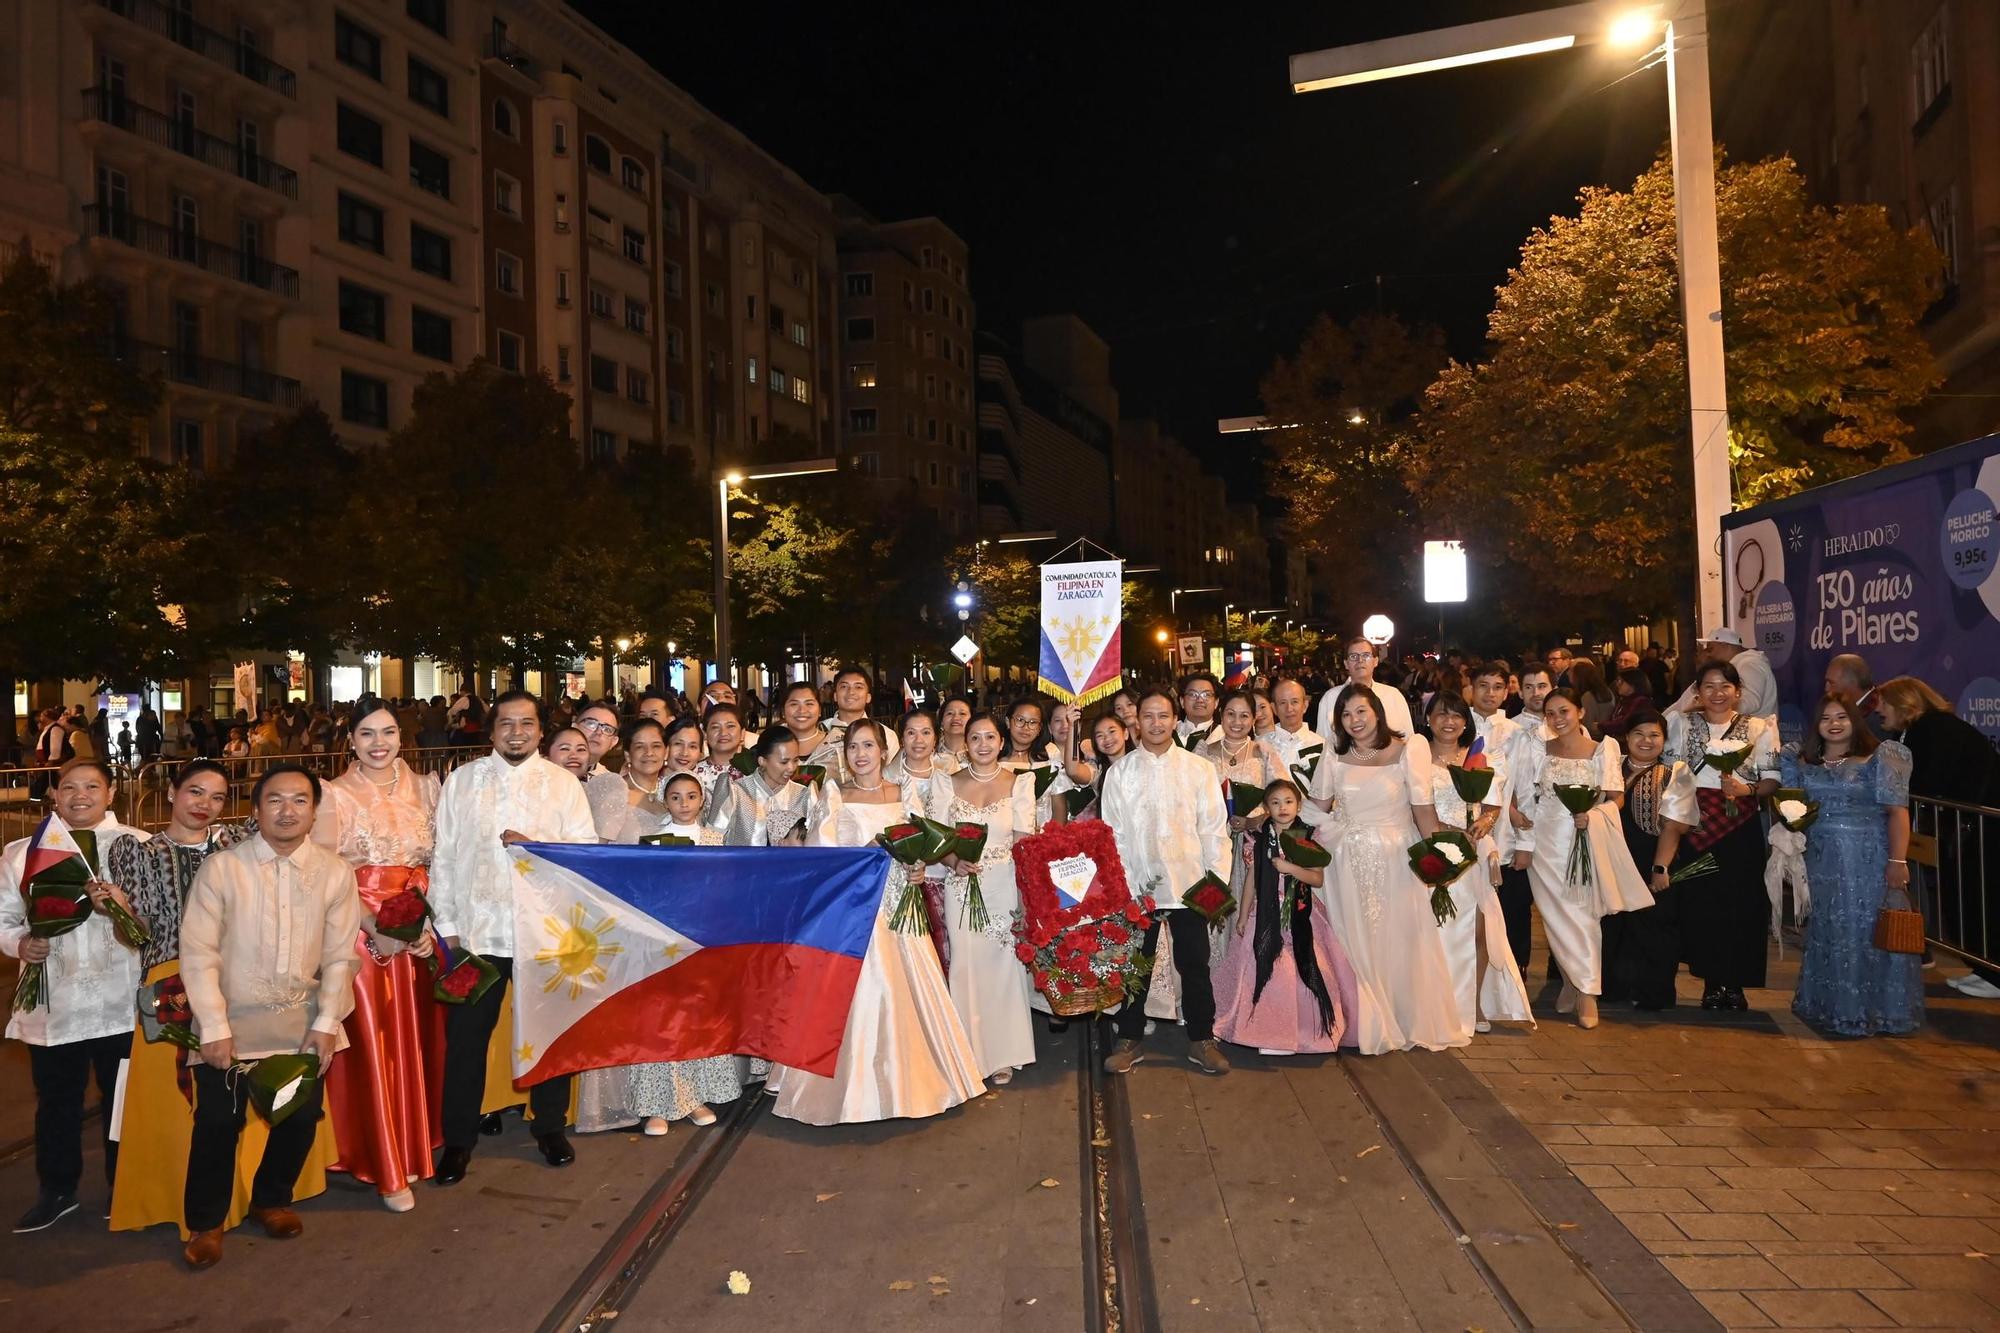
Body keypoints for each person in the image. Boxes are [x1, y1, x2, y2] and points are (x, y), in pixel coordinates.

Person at [177, 765, 362, 1269]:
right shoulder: (223, 869)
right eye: (275, 800)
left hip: (301, 1024)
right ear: (255, 810)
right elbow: (198, 952)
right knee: (217, 1122)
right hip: (231, 1026)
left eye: (300, 801)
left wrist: (327, 1023)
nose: (287, 811)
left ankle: (270, 1200)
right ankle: (207, 1223)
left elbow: (341, 955)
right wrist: (213, 1026)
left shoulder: (334, 872)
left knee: (299, 1118)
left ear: (314, 811)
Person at [769, 720, 984, 1124]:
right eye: (853, 747)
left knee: (907, 987)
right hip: (853, 908)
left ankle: (911, 1082)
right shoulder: (834, 795)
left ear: (884, 752)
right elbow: (822, 857)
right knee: (856, 990)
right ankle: (850, 1090)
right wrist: (865, 853)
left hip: (900, 904)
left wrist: (919, 866)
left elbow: (922, 846)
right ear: (845, 754)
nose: (861, 754)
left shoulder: (904, 795)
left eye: (869, 745)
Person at [430, 692, 598, 1184]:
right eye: (507, 723)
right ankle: (459, 1141)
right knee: (465, 1043)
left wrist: (537, 849)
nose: (517, 732)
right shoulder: (461, 783)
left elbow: (584, 855)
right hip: (477, 937)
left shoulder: (563, 785)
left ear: (541, 731)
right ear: (491, 729)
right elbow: (443, 859)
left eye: (527, 723)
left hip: (543, 932)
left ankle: (549, 1127)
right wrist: (450, 933)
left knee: (548, 1037)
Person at [2, 760, 150, 1233]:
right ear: (54, 795)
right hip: (56, 1001)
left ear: (111, 794)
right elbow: (5, 920)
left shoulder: (139, 847)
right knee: (57, 1100)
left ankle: (124, 1184)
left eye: (92, 786)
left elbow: (161, 921)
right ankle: (57, 1189)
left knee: (122, 1098)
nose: (80, 795)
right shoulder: (23, 853)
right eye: (69, 787)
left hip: (120, 999)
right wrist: (21, 943)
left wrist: (126, 912)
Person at [309, 697, 445, 1212]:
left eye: (387, 732)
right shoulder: (335, 795)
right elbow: (326, 871)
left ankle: (414, 1145)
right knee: (373, 1039)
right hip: (361, 933)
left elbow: (440, 863)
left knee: (416, 1038)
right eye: (366, 734)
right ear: (350, 741)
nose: (379, 743)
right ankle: (383, 1163)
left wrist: (427, 924)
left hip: (418, 929)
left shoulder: (427, 787)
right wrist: (374, 926)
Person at [579, 774, 744, 1136]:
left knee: (696, 1021)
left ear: (702, 800)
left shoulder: (716, 841)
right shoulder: (651, 842)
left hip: (703, 942)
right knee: (659, 1022)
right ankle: (655, 1104)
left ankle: (693, 1097)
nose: (684, 803)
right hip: (660, 943)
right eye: (675, 797)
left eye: (691, 796)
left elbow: (726, 892)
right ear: (664, 801)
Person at [1307, 687, 1469, 1053]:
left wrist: (1441, 854)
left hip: (1394, 858)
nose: (1355, 721)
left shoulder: (1409, 749)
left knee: (1394, 939)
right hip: (1344, 860)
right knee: (1350, 938)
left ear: (1377, 712)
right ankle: (1357, 1019)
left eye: (1361, 711)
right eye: (1346, 715)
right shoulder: (1334, 754)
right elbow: (1316, 806)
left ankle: (1395, 1016)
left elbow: (1423, 810)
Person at [1102, 689, 1232, 1076]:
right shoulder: (1120, 772)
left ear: (1175, 720)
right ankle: (1130, 1039)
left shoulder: (1198, 769)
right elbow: (1114, 835)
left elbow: (1213, 829)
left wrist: (1216, 883)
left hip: (1190, 883)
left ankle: (1201, 1038)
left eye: (1163, 716)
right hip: (1138, 887)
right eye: (1148, 716)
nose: (1156, 723)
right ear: (1135, 722)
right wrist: (1124, 888)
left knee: (1194, 964)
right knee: (1134, 966)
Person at [1508, 689, 1653, 1029]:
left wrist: (1594, 813)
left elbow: (1616, 798)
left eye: (1564, 711)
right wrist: (1523, 839)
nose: (1558, 719)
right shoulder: (1538, 749)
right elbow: (1527, 797)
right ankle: (1573, 983)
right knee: (1553, 918)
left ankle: (1587, 990)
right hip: (1544, 843)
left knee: (1582, 915)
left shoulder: (1604, 749)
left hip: (1582, 838)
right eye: (1551, 714)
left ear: (1580, 713)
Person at [1783, 695, 1922, 1035]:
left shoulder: (1881, 757)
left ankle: (1864, 1011)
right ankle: (1827, 1005)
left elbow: (1898, 813)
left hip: (1866, 859)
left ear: (1855, 721)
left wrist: (1898, 861)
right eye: (1826, 717)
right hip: (1821, 860)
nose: (1834, 723)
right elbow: (1792, 808)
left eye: (1842, 716)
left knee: (1861, 933)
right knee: (1827, 931)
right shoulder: (1803, 762)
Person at [1663, 660, 1781, 1011]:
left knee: (1741, 905)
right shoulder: (1681, 725)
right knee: (1702, 905)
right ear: (1697, 692)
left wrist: (1748, 790)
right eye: (1709, 686)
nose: (1717, 693)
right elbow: (1669, 774)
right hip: (1695, 824)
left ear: (1738, 692)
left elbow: (1772, 779)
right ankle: (1712, 981)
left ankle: (1736, 982)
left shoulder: (1759, 728)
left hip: (1740, 828)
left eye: (1724, 686)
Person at [1874, 676, 2000, 997]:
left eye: (1885, 702)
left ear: (1905, 703)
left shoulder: (1934, 729)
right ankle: (1983, 966)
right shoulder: (1921, 730)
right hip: (1968, 827)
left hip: (1982, 828)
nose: (1879, 710)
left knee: (1979, 896)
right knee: (1966, 896)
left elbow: (1928, 779)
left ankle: (1992, 970)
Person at [1210, 779, 1355, 1054]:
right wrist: (1243, 915)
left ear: (1298, 805)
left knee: (1295, 969)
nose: (1283, 808)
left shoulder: (1307, 837)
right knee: (1258, 965)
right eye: (1275, 803)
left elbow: (1316, 878)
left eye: (1288, 802)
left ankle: (1298, 1031)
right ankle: (1263, 1029)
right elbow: (1252, 880)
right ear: (1267, 808)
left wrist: (1290, 867)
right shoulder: (1260, 839)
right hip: (1264, 913)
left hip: (1300, 914)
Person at [931, 715, 1038, 1084]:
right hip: (961, 886)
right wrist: (953, 861)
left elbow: (1025, 844)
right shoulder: (946, 783)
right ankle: (967, 1052)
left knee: (1004, 968)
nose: (983, 744)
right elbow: (938, 839)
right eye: (974, 737)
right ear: (966, 742)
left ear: (1001, 738)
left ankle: (1004, 1052)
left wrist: (1026, 896)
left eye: (990, 736)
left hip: (1004, 885)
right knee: (966, 965)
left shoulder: (1021, 783)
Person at [1425, 692, 1532, 1034]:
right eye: (1441, 714)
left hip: (1473, 850)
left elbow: (1493, 804)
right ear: (1428, 719)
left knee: (1480, 931)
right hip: (1431, 847)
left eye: (1456, 716)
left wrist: (1486, 822)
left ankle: (1472, 1003)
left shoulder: (1477, 757)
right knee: (1435, 932)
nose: (1449, 722)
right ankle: (1435, 1002)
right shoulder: (1416, 757)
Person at [1605, 711, 1695, 1011]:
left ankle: (1654, 992)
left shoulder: (1674, 773)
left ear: (1664, 740)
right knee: (1615, 925)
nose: (1646, 741)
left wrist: (1660, 868)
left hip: (1652, 858)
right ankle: (1613, 987)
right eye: (1639, 734)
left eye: (1654, 735)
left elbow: (1673, 825)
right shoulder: (1609, 768)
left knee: (1654, 927)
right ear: (1626, 737)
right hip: (1612, 858)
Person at [1200, 689, 1286, 942]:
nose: (1237, 722)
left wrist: (1255, 820)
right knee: (1211, 914)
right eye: (1231, 714)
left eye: (1244, 716)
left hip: (1254, 847)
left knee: (1248, 917)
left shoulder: (1264, 752)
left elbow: (1284, 797)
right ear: (1221, 715)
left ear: (1254, 719)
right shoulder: (1204, 751)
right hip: (1211, 847)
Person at [1494, 663, 1555, 975]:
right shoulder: (1510, 729)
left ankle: (1564, 968)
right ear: (1519, 690)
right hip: (1522, 824)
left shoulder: (1568, 727)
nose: (1535, 693)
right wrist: (1512, 812)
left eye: (1542, 686)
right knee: (1517, 902)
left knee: (1559, 900)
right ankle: (1517, 965)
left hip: (1559, 825)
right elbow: (1505, 780)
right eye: (1528, 687)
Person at [886, 708, 958, 974]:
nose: (919, 740)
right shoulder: (888, 780)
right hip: (901, 880)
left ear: (936, 738)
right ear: (901, 738)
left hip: (945, 877)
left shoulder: (950, 780)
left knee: (946, 954)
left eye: (926, 732)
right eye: (911, 732)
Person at [718, 729, 824, 846]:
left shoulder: (805, 795)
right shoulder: (736, 791)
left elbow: (818, 844)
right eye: (784, 762)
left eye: (795, 760)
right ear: (762, 761)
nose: (791, 768)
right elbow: (713, 839)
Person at [1668, 629, 1778, 726]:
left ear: (1726, 645)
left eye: (1711, 649)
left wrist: (1708, 706)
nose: (1709, 654)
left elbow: (1749, 703)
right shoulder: (1736, 665)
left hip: (1751, 742)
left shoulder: (1749, 664)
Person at [1315, 638, 1413, 742]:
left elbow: (1408, 737)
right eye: (1354, 656)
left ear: (1375, 661)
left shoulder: (1393, 695)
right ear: (1346, 663)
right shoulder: (1330, 698)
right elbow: (1322, 741)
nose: (1360, 660)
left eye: (1366, 655)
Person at [1261, 677, 1325, 794]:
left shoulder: (1322, 745)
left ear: (1305, 705)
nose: (1289, 708)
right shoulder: (1260, 746)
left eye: (1294, 702)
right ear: (1274, 708)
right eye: (1283, 703)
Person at [1176, 672, 1224, 749]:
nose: (1200, 700)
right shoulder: (1169, 732)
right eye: (1193, 694)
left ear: (1216, 702)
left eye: (1206, 695)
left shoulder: (1224, 736)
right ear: (1182, 701)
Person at [1568, 659, 1613, 736]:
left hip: (1594, 737)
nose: (1568, 674)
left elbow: (1587, 724)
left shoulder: (1588, 696)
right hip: (1606, 734)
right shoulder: (1608, 691)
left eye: (1571, 672)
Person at [938, 697, 973, 763]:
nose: (956, 718)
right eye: (950, 713)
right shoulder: (929, 754)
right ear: (941, 722)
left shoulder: (980, 753)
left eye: (962, 713)